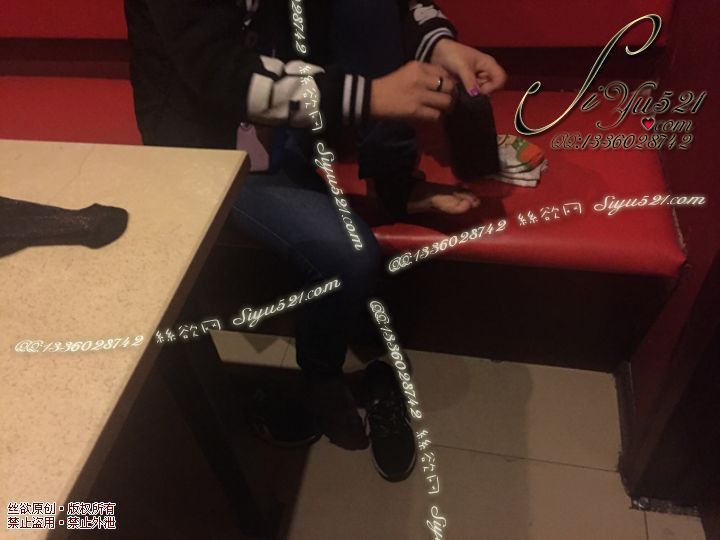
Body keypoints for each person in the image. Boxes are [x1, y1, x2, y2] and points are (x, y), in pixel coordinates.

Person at [124, 0, 506, 482]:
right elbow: (217, 72)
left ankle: (393, 188)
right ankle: (320, 376)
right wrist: (367, 96)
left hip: (285, 128)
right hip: (206, 150)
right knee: (350, 256)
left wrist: (437, 43)